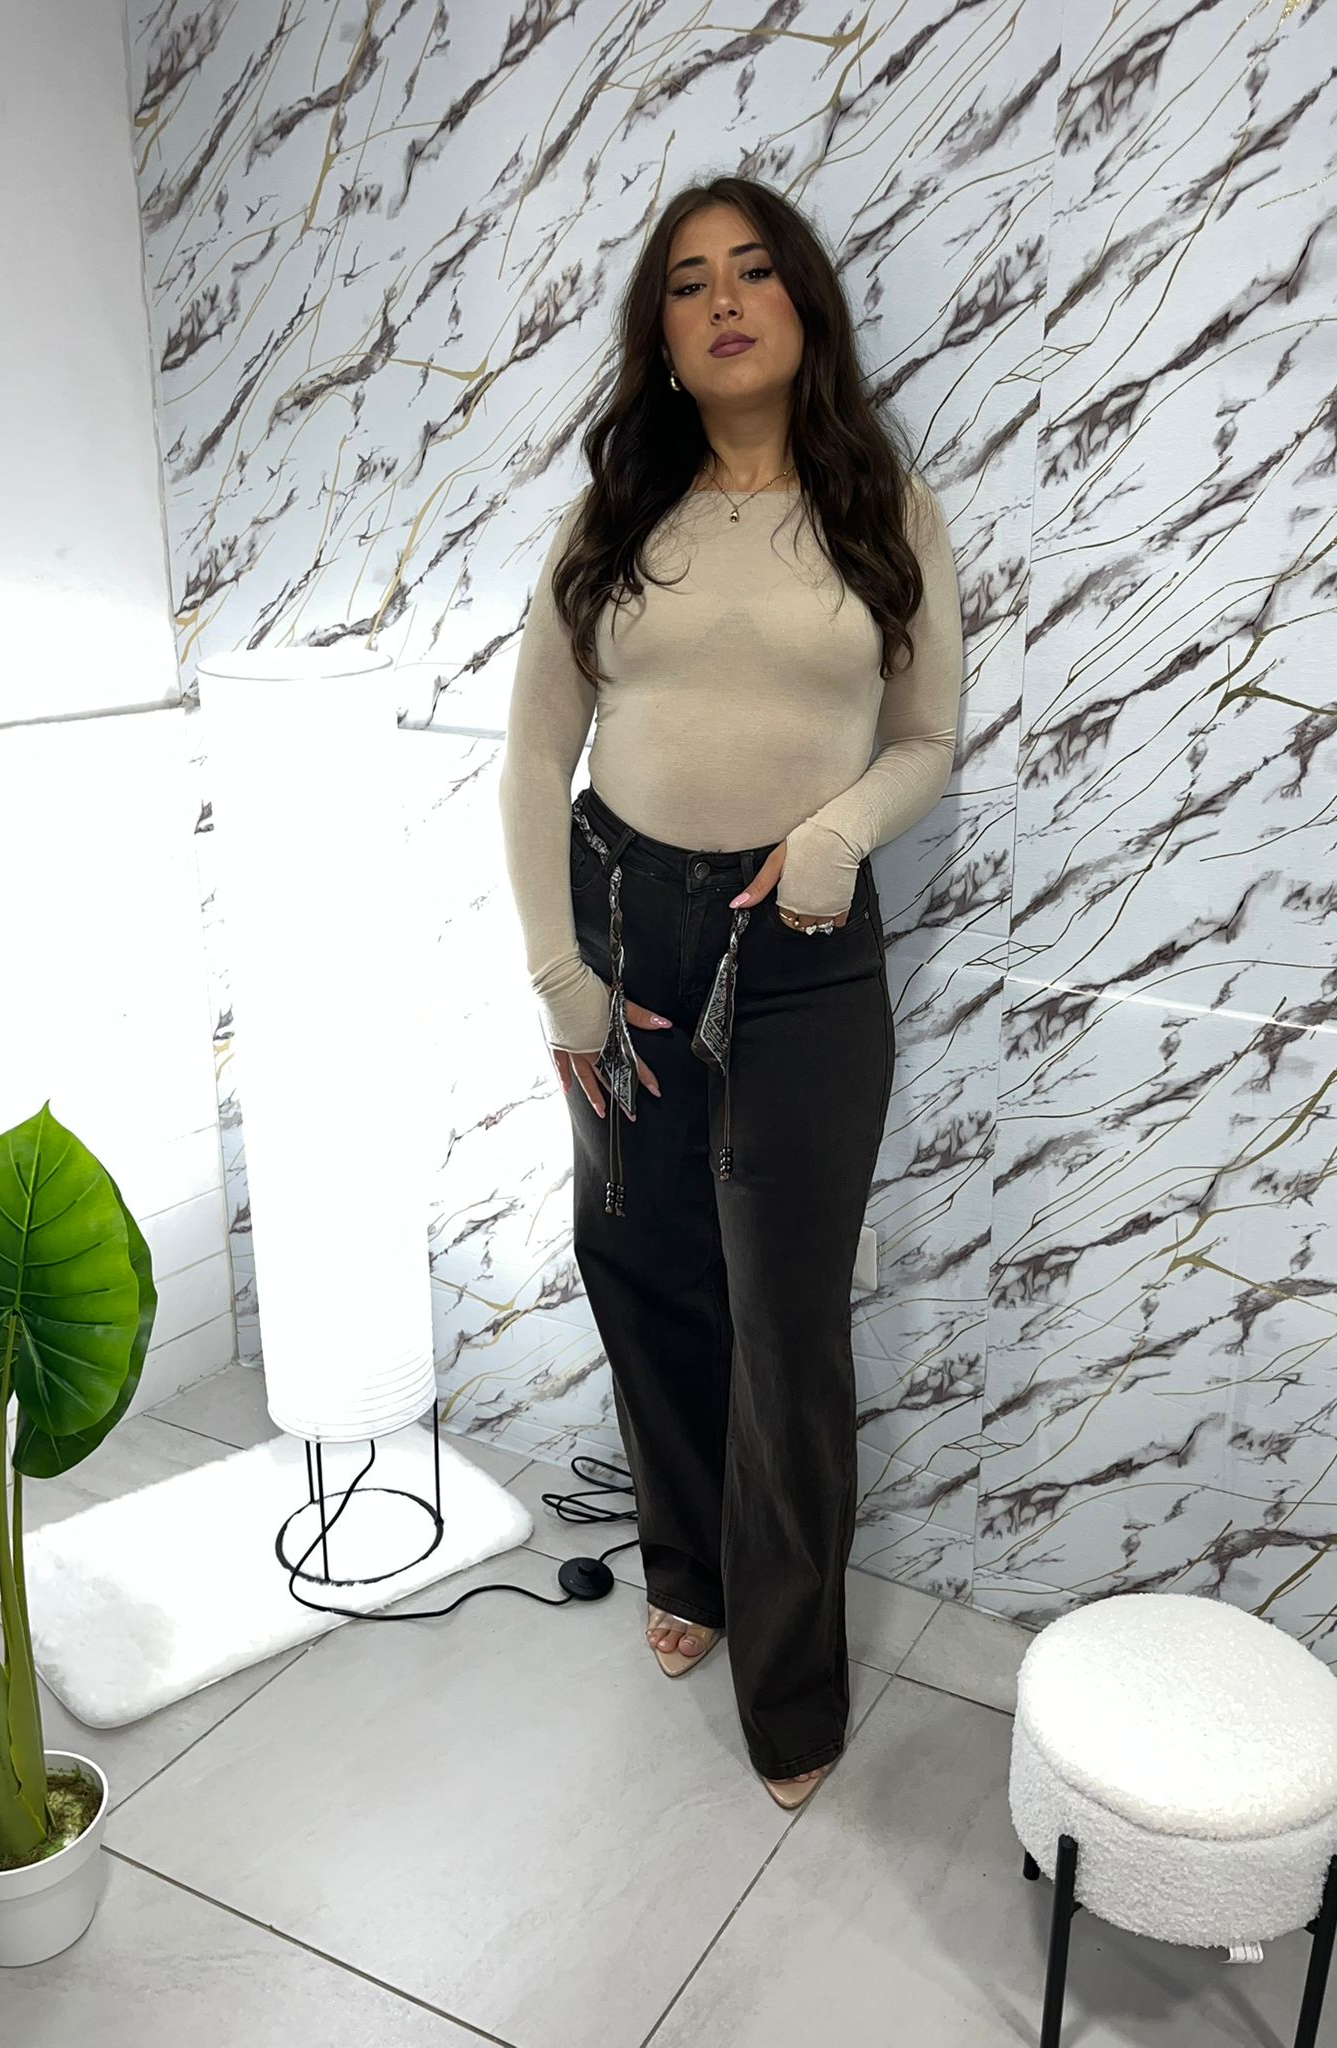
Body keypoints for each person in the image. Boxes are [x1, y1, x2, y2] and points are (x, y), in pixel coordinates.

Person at [498, 176, 964, 1811]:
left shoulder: (881, 505)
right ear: (665, 333)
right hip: (626, 928)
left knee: (786, 1317)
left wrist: (835, 833)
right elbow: (535, 754)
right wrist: (559, 976)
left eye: (753, 271)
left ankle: (792, 1688)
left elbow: (927, 736)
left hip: (804, 953)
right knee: (643, 1263)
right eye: (690, 282)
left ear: (803, 304)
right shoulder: (616, 515)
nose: (723, 301)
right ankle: (684, 1562)